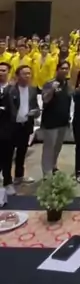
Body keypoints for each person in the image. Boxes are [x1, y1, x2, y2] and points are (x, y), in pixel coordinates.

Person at [41, 61, 72, 177]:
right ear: (57, 69)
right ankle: (47, 173)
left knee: (57, 147)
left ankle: (53, 166)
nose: (65, 71)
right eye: (62, 68)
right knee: (49, 148)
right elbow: (45, 99)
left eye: (66, 69)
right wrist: (52, 90)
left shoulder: (67, 84)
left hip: (63, 121)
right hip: (51, 122)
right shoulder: (49, 83)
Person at [0, 62, 13, 192]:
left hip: (8, 128)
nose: (1, 73)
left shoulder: (12, 88)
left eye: (3, 70)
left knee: (7, 156)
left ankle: (8, 181)